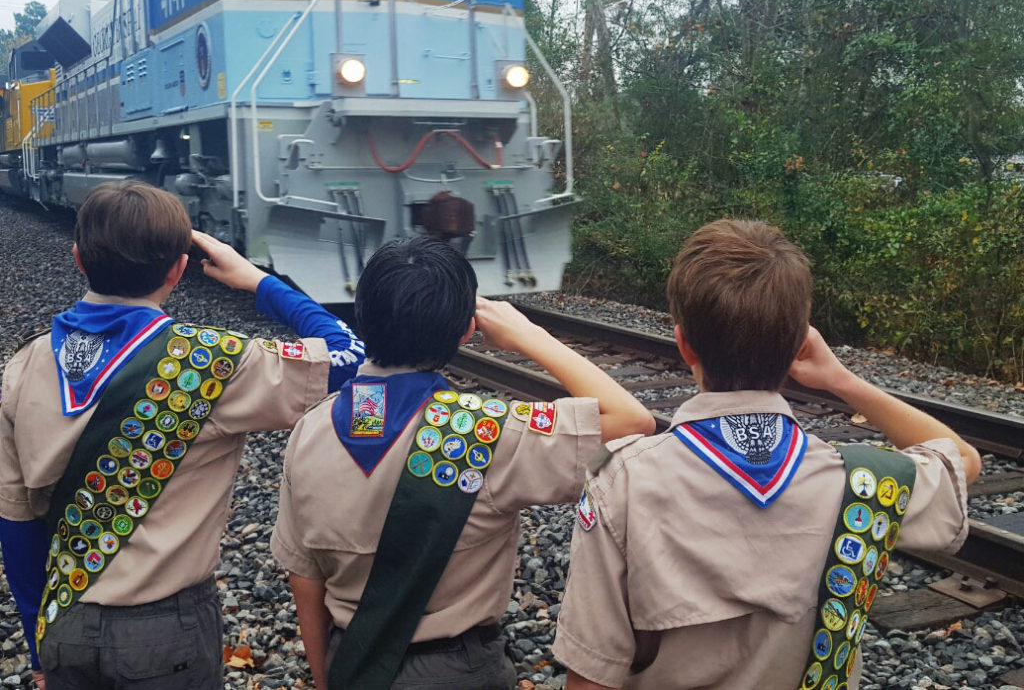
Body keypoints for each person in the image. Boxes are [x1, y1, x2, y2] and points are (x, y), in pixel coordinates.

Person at [552, 219, 982, 690]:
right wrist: (842, 380)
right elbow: (961, 459)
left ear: (683, 345)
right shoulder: (863, 481)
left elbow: (591, 678)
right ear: (800, 347)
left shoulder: (621, 479)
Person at [0, 181, 366, 690]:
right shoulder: (214, 363)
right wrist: (258, 282)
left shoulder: (22, 365)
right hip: (166, 635)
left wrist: (39, 643)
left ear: (78, 259)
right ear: (177, 268)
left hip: (64, 621)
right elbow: (350, 359)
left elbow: (16, 521)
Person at [269, 235, 656, 690]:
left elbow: (305, 579)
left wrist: (325, 677)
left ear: (361, 317)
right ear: (465, 332)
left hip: (352, 662)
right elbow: (633, 420)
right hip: (458, 671)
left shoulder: (310, 430)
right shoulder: (489, 435)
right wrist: (531, 336)